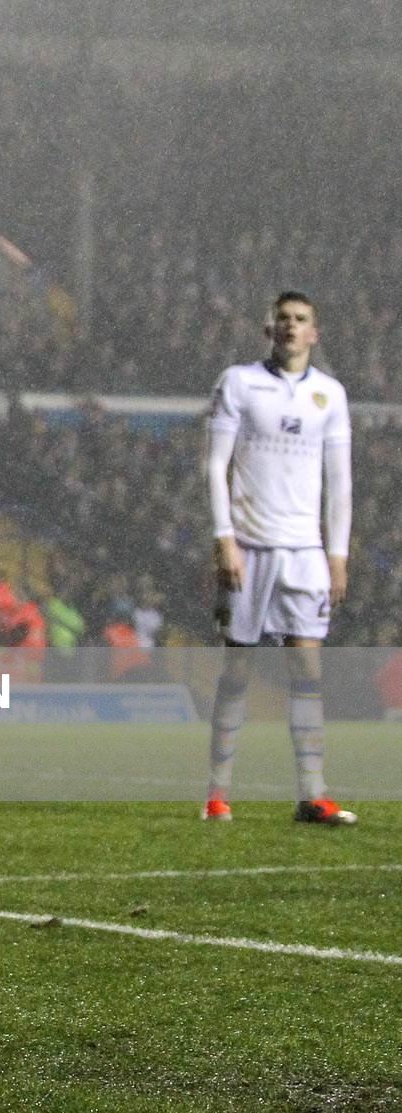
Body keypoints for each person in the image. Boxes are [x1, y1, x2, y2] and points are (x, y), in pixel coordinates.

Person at [203, 292, 354, 826]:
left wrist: (337, 554)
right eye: (283, 318)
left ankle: (312, 794)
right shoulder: (239, 382)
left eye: (301, 319)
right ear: (270, 329)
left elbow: (340, 483)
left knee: (307, 672)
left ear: (314, 333)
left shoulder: (330, 395)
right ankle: (217, 793)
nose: (291, 326)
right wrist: (224, 539)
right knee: (237, 671)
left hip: (305, 553)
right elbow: (215, 465)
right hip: (249, 547)